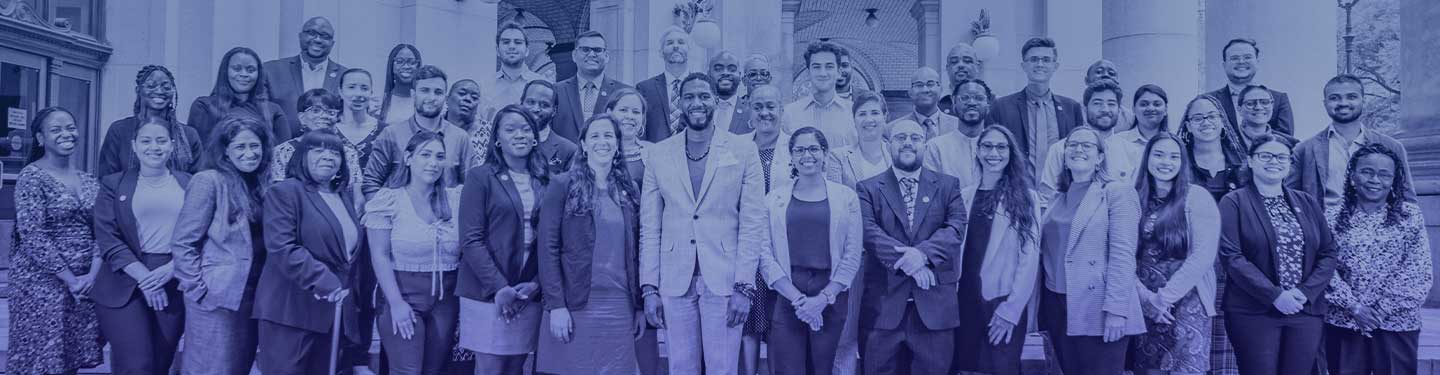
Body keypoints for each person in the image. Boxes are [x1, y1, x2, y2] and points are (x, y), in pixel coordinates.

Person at [639, 72, 765, 375]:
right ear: (679, 103)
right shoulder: (658, 153)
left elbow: (752, 223)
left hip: (724, 280)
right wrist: (649, 288)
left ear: (715, 101)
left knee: (722, 368)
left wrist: (744, 287)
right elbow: (650, 226)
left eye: (704, 96)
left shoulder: (743, 150)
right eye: (690, 97)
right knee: (681, 367)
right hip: (674, 279)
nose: (697, 103)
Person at [1218, 134, 1337, 375]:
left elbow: (1328, 252)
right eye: (1266, 155)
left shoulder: (1307, 201)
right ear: (1250, 161)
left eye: (1281, 156)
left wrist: (1304, 292)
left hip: (1304, 310)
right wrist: (1274, 295)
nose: (1274, 161)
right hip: (1253, 312)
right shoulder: (1234, 202)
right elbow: (1232, 256)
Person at [855, 119, 967, 375]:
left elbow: (956, 227)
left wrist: (922, 255)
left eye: (915, 138)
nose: (908, 143)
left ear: (925, 144)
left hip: (935, 309)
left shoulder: (948, 185)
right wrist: (913, 266)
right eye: (900, 137)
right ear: (889, 144)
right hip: (882, 308)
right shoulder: (867, 188)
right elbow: (869, 233)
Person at [535, 114, 644, 375]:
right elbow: (547, 249)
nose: (602, 141)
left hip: (619, 306)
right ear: (583, 144)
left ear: (618, 143)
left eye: (608, 135)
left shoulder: (630, 190)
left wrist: (638, 306)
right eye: (594, 136)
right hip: (575, 304)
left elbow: (637, 253)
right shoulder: (562, 185)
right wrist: (556, 305)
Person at [256, 129, 367, 374]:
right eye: (318, 150)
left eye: (334, 151)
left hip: (331, 313)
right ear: (301, 157)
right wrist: (324, 280)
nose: (328, 156)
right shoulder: (285, 191)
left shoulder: (342, 197)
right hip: (290, 311)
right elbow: (282, 247)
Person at [1038, 125, 1145, 374]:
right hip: (1056, 303)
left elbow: (1123, 256)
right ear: (1063, 156)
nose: (1078, 149)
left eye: (1087, 145)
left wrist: (1117, 311)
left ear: (1100, 157)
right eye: (1072, 144)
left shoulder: (1117, 193)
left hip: (1099, 306)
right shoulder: (1056, 198)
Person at [755, 126, 863, 375]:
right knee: (788, 368)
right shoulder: (774, 199)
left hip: (831, 294)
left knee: (822, 368)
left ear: (825, 153)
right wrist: (800, 301)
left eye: (814, 148)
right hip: (787, 293)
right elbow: (764, 253)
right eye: (800, 150)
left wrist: (821, 300)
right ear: (791, 156)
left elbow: (852, 254)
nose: (807, 155)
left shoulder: (846, 198)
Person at [7, 106, 104, 374]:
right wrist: (70, 279)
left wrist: (91, 276)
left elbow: (104, 230)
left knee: (69, 357)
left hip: (83, 284)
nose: (66, 134)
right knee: (42, 360)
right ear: (41, 138)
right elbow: (33, 234)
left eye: (70, 127)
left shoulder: (89, 179)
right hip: (40, 285)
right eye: (56, 129)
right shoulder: (31, 176)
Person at [172, 117, 273, 374]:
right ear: (225, 150)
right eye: (240, 147)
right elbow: (184, 242)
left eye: (255, 145)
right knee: (209, 368)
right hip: (217, 296)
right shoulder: (209, 180)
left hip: (254, 294)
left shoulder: (265, 183)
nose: (249, 153)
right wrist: (198, 290)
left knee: (238, 367)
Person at [94, 118, 192, 375]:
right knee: (137, 365)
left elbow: (201, 235)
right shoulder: (113, 184)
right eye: (146, 141)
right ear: (134, 146)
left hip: (172, 277)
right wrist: (147, 280)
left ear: (172, 145)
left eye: (161, 141)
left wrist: (171, 269)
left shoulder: (190, 183)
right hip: (123, 281)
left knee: (160, 364)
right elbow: (108, 238)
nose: (154, 147)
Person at [1324, 144, 1432, 375]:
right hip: (1345, 321)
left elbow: (1418, 270)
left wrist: (1379, 312)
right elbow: (1324, 269)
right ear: (1352, 175)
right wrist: (1354, 308)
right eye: (1367, 171)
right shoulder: (1331, 218)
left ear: (1394, 180)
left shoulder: (1409, 216)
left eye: (1384, 174)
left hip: (1398, 323)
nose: (1375, 179)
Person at [457, 105, 549, 375]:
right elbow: (471, 240)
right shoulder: (480, 177)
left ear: (535, 137)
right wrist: (500, 288)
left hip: (526, 291)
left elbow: (553, 241)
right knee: (491, 368)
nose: (519, 135)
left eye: (525, 129)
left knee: (515, 368)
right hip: (487, 291)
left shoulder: (547, 180)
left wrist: (534, 286)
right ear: (497, 138)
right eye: (510, 129)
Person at [366, 131, 463, 375]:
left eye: (440, 156)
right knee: (406, 371)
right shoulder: (388, 199)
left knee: (434, 371)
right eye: (425, 155)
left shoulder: (455, 199)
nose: (433, 162)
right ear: (408, 158)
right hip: (403, 294)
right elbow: (380, 255)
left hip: (445, 299)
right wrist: (396, 303)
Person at [1129, 133, 1222, 375]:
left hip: (1186, 304)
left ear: (1183, 162)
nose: (1165, 162)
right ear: (1147, 158)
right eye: (1158, 154)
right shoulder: (1133, 197)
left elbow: (1203, 256)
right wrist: (1145, 298)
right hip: (1142, 303)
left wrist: (1163, 299)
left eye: (1174, 156)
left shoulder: (1196, 197)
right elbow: (1122, 254)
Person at [950, 125, 1040, 375]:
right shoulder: (963, 195)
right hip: (964, 299)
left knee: (1000, 367)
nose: (994, 153)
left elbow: (1029, 259)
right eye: (987, 146)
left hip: (1001, 301)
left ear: (1011, 153)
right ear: (978, 151)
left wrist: (1011, 310)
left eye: (1001, 147)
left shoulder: (1026, 197)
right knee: (966, 367)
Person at [1175, 94, 1246, 374]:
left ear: (1223, 123)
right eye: (1198, 117)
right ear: (1188, 125)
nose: (1206, 122)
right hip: (1190, 259)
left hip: (1234, 260)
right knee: (1194, 332)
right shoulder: (1179, 163)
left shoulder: (1242, 163)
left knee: (1229, 334)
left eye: (1211, 116)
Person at [603, 87, 664, 375]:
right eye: (623, 110)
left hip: (643, 254)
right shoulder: (594, 151)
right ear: (609, 113)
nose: (629, 116)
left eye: (636, 112)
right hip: (605, 258)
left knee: (644, 341)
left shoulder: (655, 154)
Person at [1290, 74, 1415, 212]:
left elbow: (1407, 197)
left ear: (1363, 100)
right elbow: (1290, 198)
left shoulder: (1391, 147)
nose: (1343, 103)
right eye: (1334, 98)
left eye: (1351, 97)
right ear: (1325, 103)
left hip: (1378, 228)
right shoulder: (1305, 149)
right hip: (1324, 229)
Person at [736, 84, 790, 375]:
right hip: (745, 243)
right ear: (749, 111)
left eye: (771, 106)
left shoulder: (796, 146)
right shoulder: (734, 147)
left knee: (779, 319)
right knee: (748, 319)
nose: (765, 112)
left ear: (782, 110)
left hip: (783, 246)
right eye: (758, 107)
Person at [363, 65, 470, 197]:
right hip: (397, 215)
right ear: (413, 94)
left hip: (446, 215)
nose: (431, 98)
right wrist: (384, 213)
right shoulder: (391, 134)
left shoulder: (460, 138)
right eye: (424, 91)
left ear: (445, 97)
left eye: (438, 92)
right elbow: (371, 184)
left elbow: (472, 186)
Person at [988, 37, 1085, 175]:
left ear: (1055, 66)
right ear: (1024, 66)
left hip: (1061, 190)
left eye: (1046, 60)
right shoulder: (1001, 107)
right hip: (1017, 189)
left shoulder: (1072, 108)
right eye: (1033, 59)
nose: (1040, 64)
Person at [99, 65, 202, 176]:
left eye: (166, 87)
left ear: (173, 92)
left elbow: (197, 179)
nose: (159, 91)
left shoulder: (189, 135)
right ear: (138, 90)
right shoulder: (119, 130)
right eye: (151, 86)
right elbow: (106, 177)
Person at [1039, 81, 1130, 204]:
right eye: (1097, 103)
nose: (1105, 109)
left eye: (1111, 104)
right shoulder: (1061, 149)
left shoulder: (1130, 151)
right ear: (1084, 108)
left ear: (1119, 109)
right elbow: (1046, 201)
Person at [269, 89, 364, 200]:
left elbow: (357, 196)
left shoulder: (348, 152)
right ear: (302, 118)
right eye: (316, 111)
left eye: (330, 112)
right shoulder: (282, 151)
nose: (324, 116)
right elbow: (278, 195)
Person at [263, 16, 349, 135]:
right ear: (300, 36)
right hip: (281, 147)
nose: (318, 39)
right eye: (311, 33)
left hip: (328, 147)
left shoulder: (345, 76)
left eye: (325, 36)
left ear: (332, 43)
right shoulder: (271, 70)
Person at [188, 46, 290, 142]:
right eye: (237, 69)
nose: (244, 74)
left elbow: (283, 154)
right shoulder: (204, 106)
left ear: (259, 74)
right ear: (225, 71)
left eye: (250, 70)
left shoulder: (273, 110)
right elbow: (199, 154)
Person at [1204, 38, 1294, 135]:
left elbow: (1286, 139)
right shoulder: (1207, 100)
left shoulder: (1279, 99)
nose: (1241, 62)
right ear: (1224, 65)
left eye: (1247, 57)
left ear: (1257, 62)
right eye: (1234, 58)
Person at [555, 30, 631, 142]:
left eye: (597, 50)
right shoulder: (556, 91)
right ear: (574, 55)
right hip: (566, 158)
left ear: (606, 56)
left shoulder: (624, 92)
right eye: (585, 49)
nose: (591, 54)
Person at [785, 41, 857, 149]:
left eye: (829, 66)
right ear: (808, 73)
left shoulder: (853, 113)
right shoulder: (790, 113)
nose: (823, 73)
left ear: (838, 72)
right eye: (816, 67)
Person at [923, 78, 992, 182]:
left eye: (979, 98)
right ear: (954, 103)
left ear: (988, 105)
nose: (972, 103)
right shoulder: (936, 148)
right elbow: (931, 190)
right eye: (965, 98)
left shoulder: (998, 147)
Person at [635, 26, 695, 142]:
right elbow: (639, 128)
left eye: (681, 42)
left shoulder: (701, 86)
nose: (676, 46)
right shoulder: (644, 88)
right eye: (669, 43)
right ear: (660, 52)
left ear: (689, 50)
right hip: (654, 155)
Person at [826, 90, 891, 188]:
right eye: (862, 114)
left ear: (885, 117)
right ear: (854, 119)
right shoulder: (838, 157)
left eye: (875, 113)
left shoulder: (895, 153)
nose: (868, 119)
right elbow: (835, 198)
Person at [517, 80, 579, 175]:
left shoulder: (569, 151)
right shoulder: (506, 142)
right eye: (530, 102)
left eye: (544, 105)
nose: (536, 109)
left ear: (554, 111)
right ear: (521, 104)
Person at [490, 22, 548, 116]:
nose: (512, 46)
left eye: (518, 42)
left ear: (526, 51)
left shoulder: (543, 84)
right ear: (497, 50)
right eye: (506, 42)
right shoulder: (484, 86)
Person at [335, 68, 385, 167]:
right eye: (351, 87)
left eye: (364, 88)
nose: (358, 94)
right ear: (340, 91)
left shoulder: (385, 131)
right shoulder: (328, 130)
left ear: (371, 92)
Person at [893, 67, 959, 139]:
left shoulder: (958, 126)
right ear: (910, 92)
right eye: (919, 85)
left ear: (941, 89)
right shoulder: (893, 128)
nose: (925, 90)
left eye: (930, 84)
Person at [1234, 85, 1298, 151]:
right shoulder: (1225, 143)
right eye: (1250, 104)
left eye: (1264, 102)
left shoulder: (1293, 145)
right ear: (1239, 109)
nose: (1258, 107)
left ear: (1272, 106)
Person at [1085, 59, 1135, 132]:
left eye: (1111, 73)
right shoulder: (1075, 112)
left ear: (1117, 81)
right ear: (1087, 80)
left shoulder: (1129, 118)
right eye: (1099, 72)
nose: (1105, 75)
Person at [379, 44, 423, 125]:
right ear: (391, 65)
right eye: (399, 61)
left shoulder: (425, 101)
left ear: (418, 67)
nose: (406, 66)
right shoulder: (378, 103)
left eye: (412, 62)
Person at [938, 43, 981, 116]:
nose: (961, 65)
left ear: (978, 67)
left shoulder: (994, 102)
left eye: (967, 61)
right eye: (954, 62)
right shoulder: (936, 103)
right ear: (947, 68)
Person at [709, 51, 747, 134]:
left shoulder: (750, 111)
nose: (725, 73)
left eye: (732, 70)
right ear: (709, 74)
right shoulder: (697, 109)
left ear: (740, 75)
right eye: (718, 69)